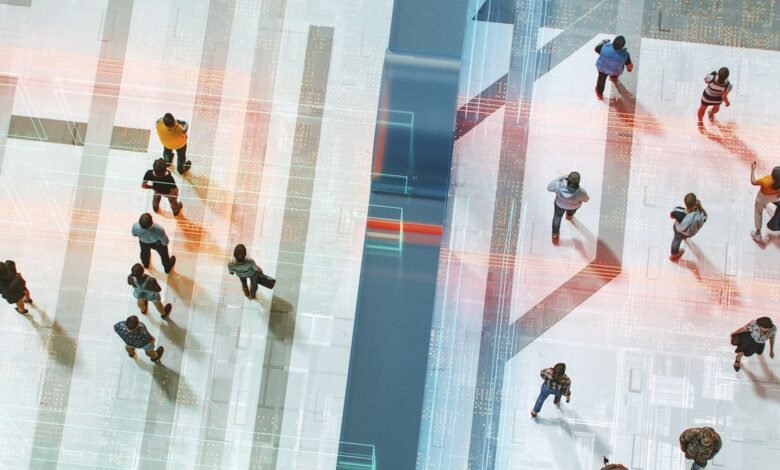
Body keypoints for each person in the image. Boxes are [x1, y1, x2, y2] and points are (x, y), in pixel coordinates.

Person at [547, 172, 589, 243]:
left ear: (567, 180)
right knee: (572, 210)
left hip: (559, 205)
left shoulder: (558, 186)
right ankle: (569, 215)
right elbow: (586, 200)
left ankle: (555, 235)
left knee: (557, 218)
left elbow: (549, 188)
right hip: (573, 206)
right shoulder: (581, 192)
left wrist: (561, 177)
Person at [669, 193, 708, 261]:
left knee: (676, 240)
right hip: (689, 233)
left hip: (678, 231)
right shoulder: (700, 214)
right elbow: (704, 219)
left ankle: (674, 254)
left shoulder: (678, 212)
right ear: (695, 202)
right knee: (684, 236)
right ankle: (685, 238)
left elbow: (671, 215)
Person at [594, 35, 633, 100]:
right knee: (615, 70)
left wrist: (604, 41)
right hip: (615, 70)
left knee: (601, 79)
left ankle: (599, 94)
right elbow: (629, 66)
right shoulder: (625, 54)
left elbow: (596, 48)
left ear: (613, 42)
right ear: (622, 46)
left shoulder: (604, 47)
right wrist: (629, 70)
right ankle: (613, 77)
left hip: (602, 68)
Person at [749, 162, 780, 243]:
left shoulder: (766, 180)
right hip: (775, 198)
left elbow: (753, 181)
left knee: (758, 212)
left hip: (762, 197)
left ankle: (758, 234)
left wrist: (752, 169)